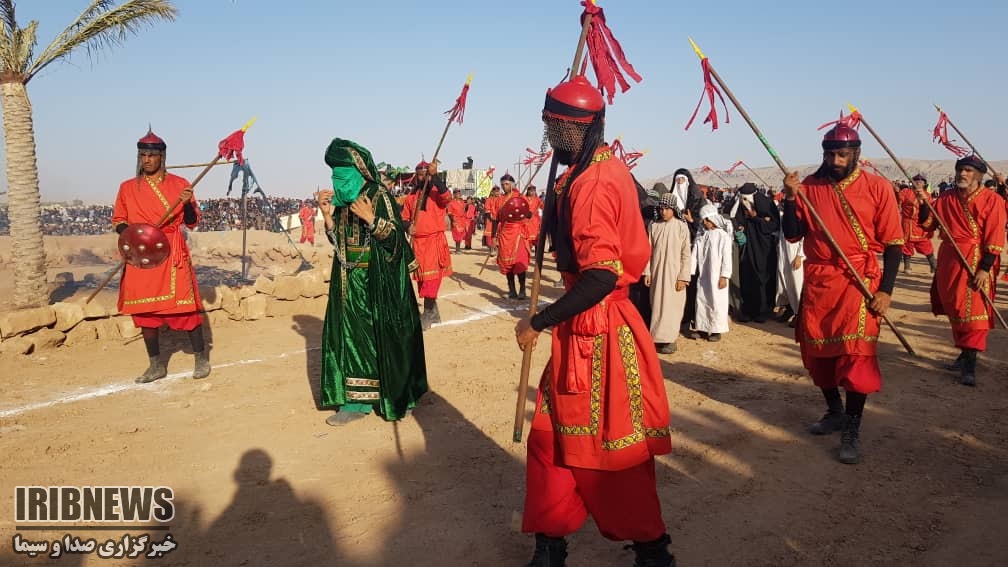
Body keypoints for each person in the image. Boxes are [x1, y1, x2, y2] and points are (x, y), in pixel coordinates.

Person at [514, 75, 675, 567]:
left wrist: (539, 321)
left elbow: (602, 275)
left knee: (611, 453)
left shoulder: (594, 183)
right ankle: (549, 545)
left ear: (576, 128)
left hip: (599, 332)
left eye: (555, 129)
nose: (551, 138)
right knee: (550, 440)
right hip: (582, 330)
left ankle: (652, 551)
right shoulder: (590, 171)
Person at [781, 124, 903, 465]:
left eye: (842, 155)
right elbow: (792, 234)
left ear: (856, 154)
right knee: (818, 354)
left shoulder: (877, 187)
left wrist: (886, 291)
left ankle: (852, 426)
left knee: (856, 356)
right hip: (820, 281)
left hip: (858, 282)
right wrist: (790, 198)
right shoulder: (809, 187)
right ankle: (834, 410)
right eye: (829, 154)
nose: (835, 161)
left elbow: (894, 244)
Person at [317, 138, 427, 424]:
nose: (337, 182)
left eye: (343, 176)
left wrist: (371, 220)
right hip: (348, 281)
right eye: (334, 176)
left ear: (358, 172)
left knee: (386, 338)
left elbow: (396, 244)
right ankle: (356, 402)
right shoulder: (342, 201)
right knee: (353, 340)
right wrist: (328, 218)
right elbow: (341, 243)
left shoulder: (379, 196)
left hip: (379, 281)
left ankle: (396, 395)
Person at [113, 129, 210, 384]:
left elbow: (192, 222)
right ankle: (156, 365)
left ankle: (201, 358)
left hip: (171, 252)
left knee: (184, 309)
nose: (146, 160)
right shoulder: (127, 188)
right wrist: (137, 237)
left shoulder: (180, 184)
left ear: (161, 157)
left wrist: (186, 203)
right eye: (142, 155)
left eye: (151, 155)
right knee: (145, 312)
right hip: (142, 255)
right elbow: (119, 221)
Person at [917, 156, 1006, 386]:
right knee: (955, 308)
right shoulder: (946, 197)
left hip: (976, 259)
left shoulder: (993, 200)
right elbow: (928, 224)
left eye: (967, 170)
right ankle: (964, 354)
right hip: (949, 257)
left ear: (979, 175)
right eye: (960, 170)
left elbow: (995, 236)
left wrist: (985, 268)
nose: (962, 174)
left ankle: (970, 366)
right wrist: (924, 204)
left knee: (974, 312)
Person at [400, 160, 453, 329]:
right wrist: (408, 227)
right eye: (420, 174)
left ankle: (428, 314)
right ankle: (434, 313)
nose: (422, 177)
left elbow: (447, 197)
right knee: (422, 280)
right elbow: (403, 218)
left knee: (431, 279)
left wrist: (435, 176)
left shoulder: (437, 193)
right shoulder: (411, 197)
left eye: (426, 174)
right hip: (418, 243)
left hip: (433, 241)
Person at [644, 193, 692, 353]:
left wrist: (683, 277)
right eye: (661, 209)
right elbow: (648, 251)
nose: (664, 212)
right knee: (657, 305)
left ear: (673, 209)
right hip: (657, 274)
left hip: (675, 275)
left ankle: (670, 340)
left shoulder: (681, 226)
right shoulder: (654, 226)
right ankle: (657, 338)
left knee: (673, 307)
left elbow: (686, 254)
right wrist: (647, 272)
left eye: (667, 209)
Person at [732, 182, 780, 322]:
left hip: (763, 248)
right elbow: (736, 218)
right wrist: (740, 226)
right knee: (748, 276)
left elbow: (773, 225)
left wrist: (756, 219)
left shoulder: (766, 204)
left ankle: (763, 311)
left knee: (763, 277)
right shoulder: (741, 205)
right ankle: (748, 310)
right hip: (748, 248)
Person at [692, 204, 732, 341]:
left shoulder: (723, 236)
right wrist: (691, 271)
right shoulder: (702, 235)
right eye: (703, 220)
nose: (705, 223)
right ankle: (702, 328)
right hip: (704, 275)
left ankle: (716, 330)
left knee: (717, 301)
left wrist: (724, 276)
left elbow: (727, 258)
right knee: (702, 299)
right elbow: (695, 253)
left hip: (717, 276)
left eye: (707, 220)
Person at [496, 193, 533, 299]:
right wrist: (494, 237)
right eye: (503, 184)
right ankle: (512, 290)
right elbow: (497, 218)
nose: (505, 186)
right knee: (507, 264)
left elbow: (529, 214)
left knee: (519, 263)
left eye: (507, 184)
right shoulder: (500, 200)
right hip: (505, 234)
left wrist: (522, 211)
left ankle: (522, 290)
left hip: (518, 234)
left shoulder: (519, 196)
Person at [899, 174, 936, 273]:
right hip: (907, 224)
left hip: (920, 224)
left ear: (924, 184)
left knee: (925, 245)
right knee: (907, 245)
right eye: (916, 181)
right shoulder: (906, 192)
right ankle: (907, 267)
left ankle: (933, 265)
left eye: (921, 182)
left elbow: (930, 209)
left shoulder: (927, 195)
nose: (919, 183)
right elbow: (898, 201)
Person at [775, 209, 804, 327]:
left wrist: (800, 255)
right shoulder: (783, 210)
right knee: (783, 281)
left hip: (794, 252)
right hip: (783, 249)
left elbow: (805, 235)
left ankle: (799, 315)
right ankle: (789, 308)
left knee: (796, 284)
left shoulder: (799, 212)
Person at [525, 185, 544, 249]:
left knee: (537, 237)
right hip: (526, 220)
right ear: (527, 191)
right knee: (527, 238)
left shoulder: (538, 199)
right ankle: (528, 250)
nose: (532, 192)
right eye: (530, 191)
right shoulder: (524, 198)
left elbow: (543, 207)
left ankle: (537, 251)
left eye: (533, 191)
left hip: (535, 221)